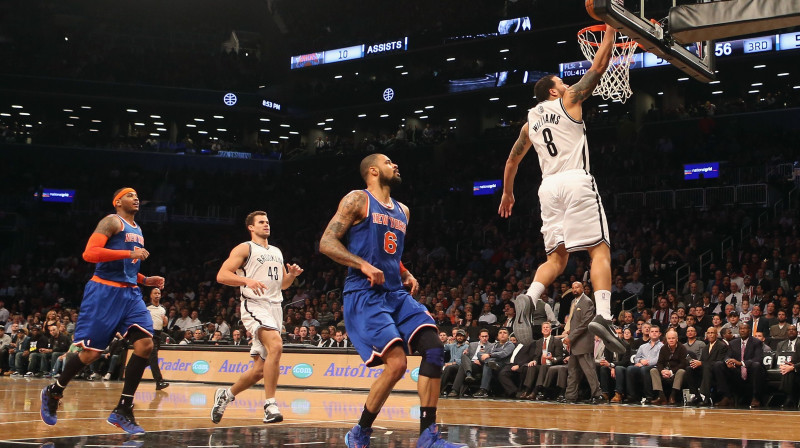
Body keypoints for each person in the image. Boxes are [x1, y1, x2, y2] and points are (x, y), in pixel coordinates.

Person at [319, 154, 465, 448]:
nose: (395, 165)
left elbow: (390, 256)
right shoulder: (357, 199)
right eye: (388, 162)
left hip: (396, 293)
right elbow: (327, 242)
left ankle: (428, 436)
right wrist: (362, 265)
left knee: (435, 350)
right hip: (364, 293)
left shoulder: (403, 211)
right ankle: (359, 431)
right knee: (396, 365)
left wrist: (405, 271)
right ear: (373, 171)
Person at [498, 23, 623, 355]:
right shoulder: (569, 98)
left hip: (547, 189)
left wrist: (507, 193)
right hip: (574, 180)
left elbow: (512, 161)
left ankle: (530, 296)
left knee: (556, 257)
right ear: (554, 91)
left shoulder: (529, 122)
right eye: (561, 82)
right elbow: (598, 66)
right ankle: (605, 316)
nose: (567, 84)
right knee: (599, 251)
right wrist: (611, 29)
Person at [40, 188, 165, 435]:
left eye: (138, 195)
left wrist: (145, 279)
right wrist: (131, 253)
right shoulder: (111, 221)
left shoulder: (138, 229)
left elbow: (126, 267)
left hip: (130, 294)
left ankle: (123, 408)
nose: (136, 198)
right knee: (91, 354)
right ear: (118, 201)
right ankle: (55, 391)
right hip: (104, 292)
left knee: (145, 345)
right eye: (130, 195)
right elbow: (90, 254)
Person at [211, 210, 303, 425]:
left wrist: (291, 276)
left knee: (259, 370)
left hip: (275, 307)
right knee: (277, 346)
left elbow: (282, 285)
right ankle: (270, 405)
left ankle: (226, 395)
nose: (266, 225)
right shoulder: (245, 248)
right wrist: (247, 281)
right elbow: (222, 275)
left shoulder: (277, 251)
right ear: (251, 227)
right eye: (261, 222)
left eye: (268, 221)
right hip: (254, 305)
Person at [563, 282, 604, 404]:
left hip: (583, 341)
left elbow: (585, 323)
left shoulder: (587, 301)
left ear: (583, 289)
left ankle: (598, 395)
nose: (575, 289)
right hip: (574, 341)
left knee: (589, 370)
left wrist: (571, 337)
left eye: (577, 287)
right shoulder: (573, 302)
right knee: (572, 371)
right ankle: (570, 396)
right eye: (573, 288)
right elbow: (573, 321)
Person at [147, 287, 169, 390]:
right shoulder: (146, 307)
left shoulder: (163, 308)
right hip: (149, 334)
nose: (157, 295)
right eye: (155, 293)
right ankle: (159, 382)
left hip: (158, 334)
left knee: (149, 360)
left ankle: (131, 370)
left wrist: (165, 322)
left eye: (159, 293)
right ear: (151, 295)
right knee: (153, 358)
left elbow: (164, 324)